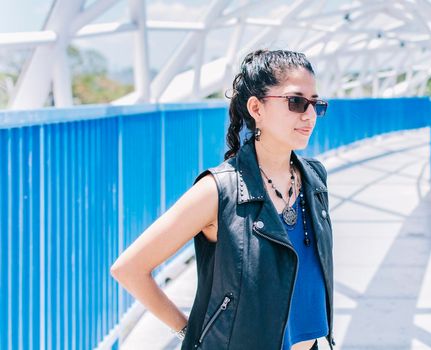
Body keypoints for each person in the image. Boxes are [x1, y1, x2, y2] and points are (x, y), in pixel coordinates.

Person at [110, 49, 335, 350]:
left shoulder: (314, 179)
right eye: (296, 102)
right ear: (256, 108)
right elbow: (129, 268)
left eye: (315, 104)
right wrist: (191, 336)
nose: (308, 114)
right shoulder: (220, 190)